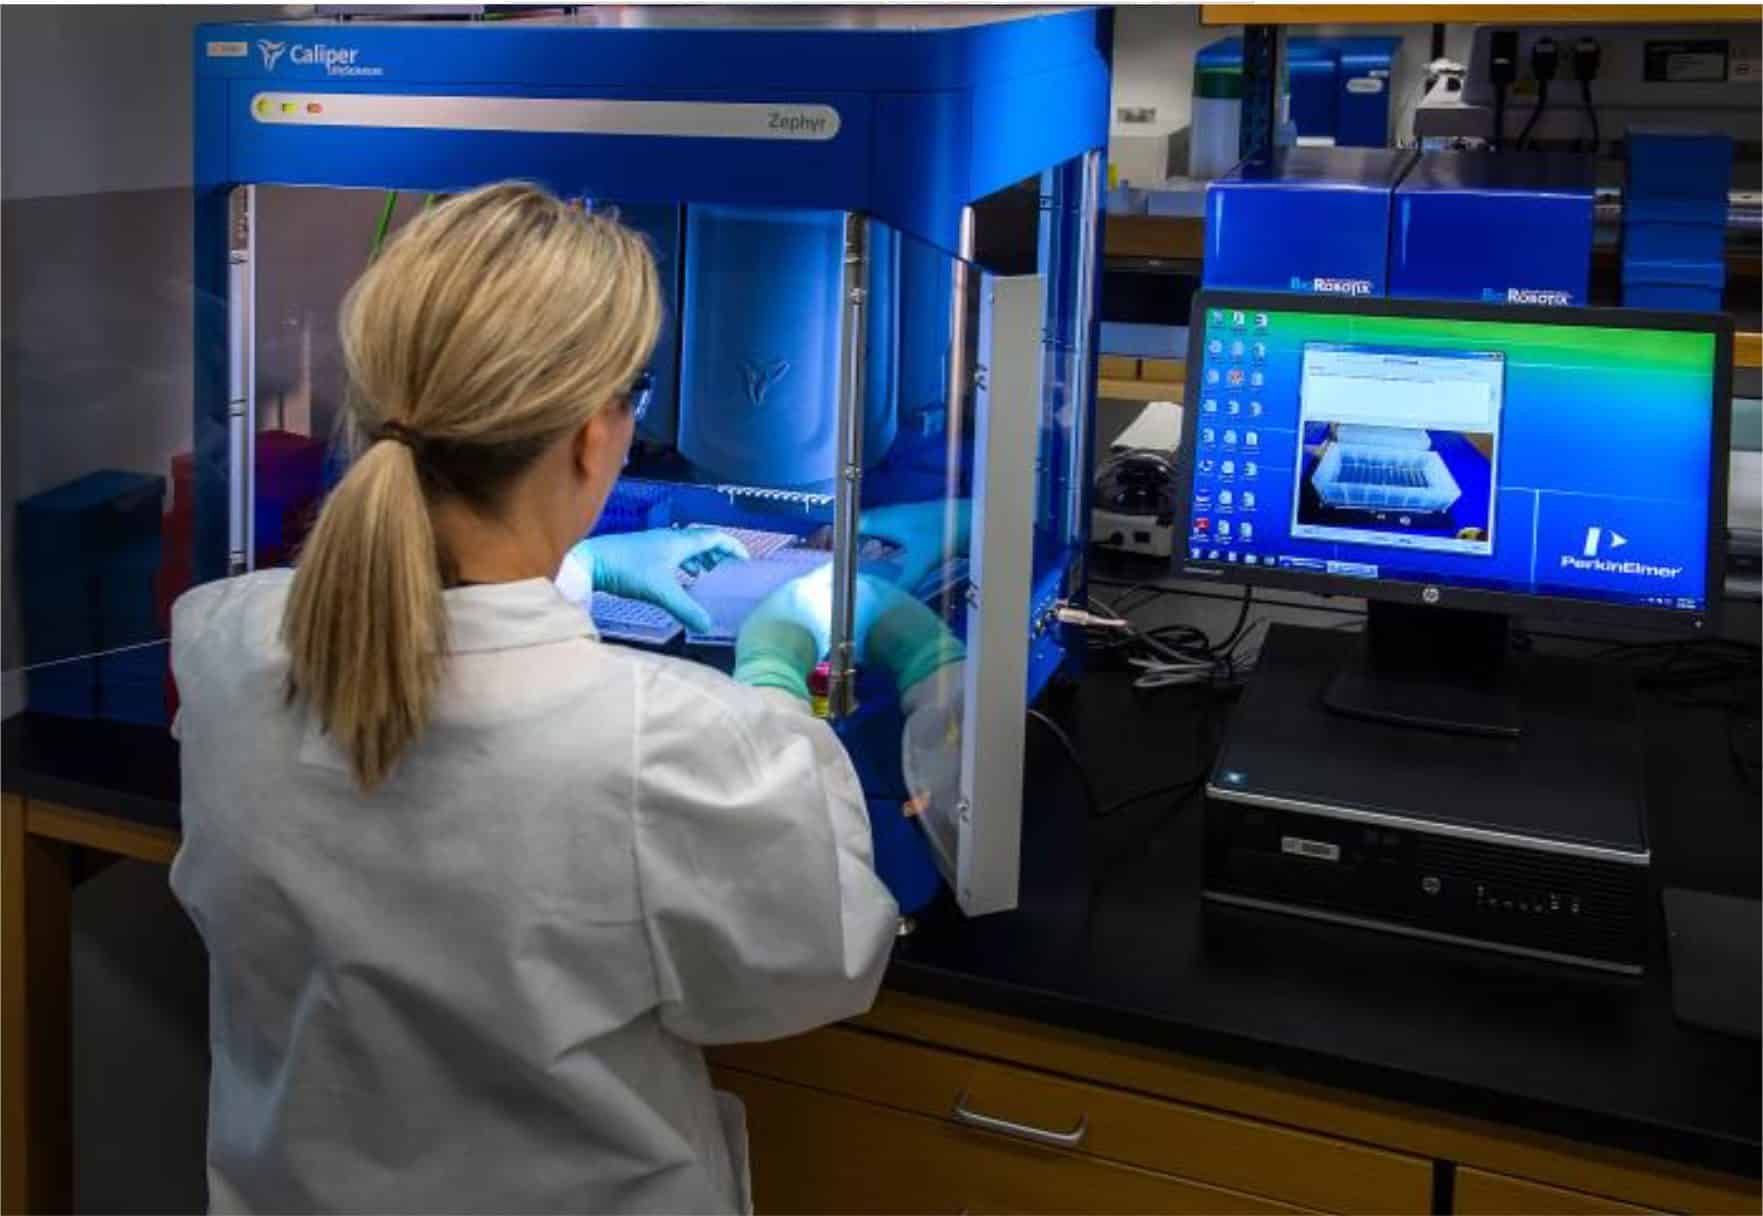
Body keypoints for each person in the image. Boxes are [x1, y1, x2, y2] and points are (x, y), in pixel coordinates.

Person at [168, 182, 961, 1213]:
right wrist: (776, 666)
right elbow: (820, 961)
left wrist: (581, 570)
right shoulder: (670, 746)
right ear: (597, 433)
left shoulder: (226, 646)